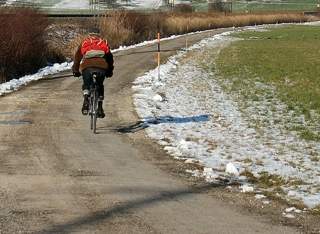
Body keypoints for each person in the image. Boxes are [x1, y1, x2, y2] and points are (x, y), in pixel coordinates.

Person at [72, 30, 114, 118]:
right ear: (99, 35)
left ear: (89, 35)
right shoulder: (103, 43)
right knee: (100, 85)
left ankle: (86, 97)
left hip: (87, 67)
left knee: (86, 83)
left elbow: (77, 58)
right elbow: (110, 59)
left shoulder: (85, 43)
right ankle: (99, 108)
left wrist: (75, 70)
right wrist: (109, 71)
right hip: (101, 67)